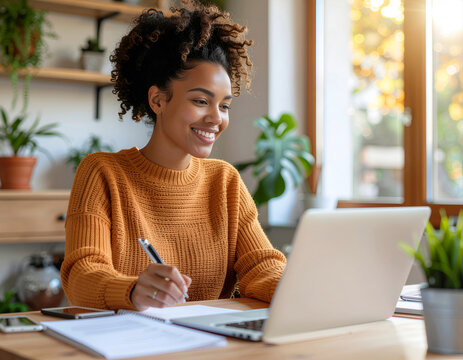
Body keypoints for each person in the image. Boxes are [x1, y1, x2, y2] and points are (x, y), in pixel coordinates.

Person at [61, 0, 286, 311]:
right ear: (158, 100)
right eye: (200, 101)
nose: (215, 118)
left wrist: (302, 286)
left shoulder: (224, 181)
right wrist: (133, 290)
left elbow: (261, 266)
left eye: (224, 106)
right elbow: (82, 273)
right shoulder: (103, 173)